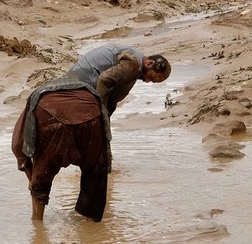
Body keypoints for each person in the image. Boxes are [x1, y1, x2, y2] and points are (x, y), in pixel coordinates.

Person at [12, 43, 171, 221]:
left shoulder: (129, 56)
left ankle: (37, 224)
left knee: (44, 167)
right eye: (152, 78)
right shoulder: (134, 64)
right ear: (149, 63)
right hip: (87, 100)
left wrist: (30, 177)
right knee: (97, 168)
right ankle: (91, 222)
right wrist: (100, 111)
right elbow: (104, 80)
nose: (148, 81)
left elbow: (19, 145)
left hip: (69, 90)